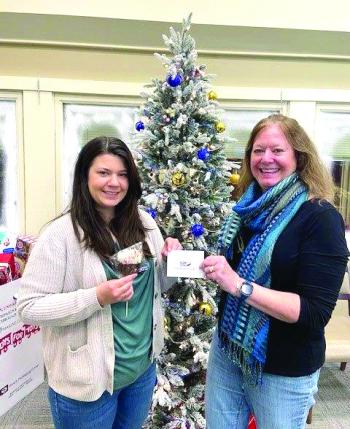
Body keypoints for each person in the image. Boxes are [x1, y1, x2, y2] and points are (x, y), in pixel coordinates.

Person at [17, 136, 182, 429]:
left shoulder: (144, 223)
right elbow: (28, 308)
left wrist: (170, 264)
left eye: (122, 174)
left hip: (141, 373)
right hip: (87, 383)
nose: (114, 183)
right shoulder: (60, 235)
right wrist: (97, 297)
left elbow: (159, 287)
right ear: (85, 176)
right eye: (103, 173)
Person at [201, 114, 349, 429]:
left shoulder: (320, 219)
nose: (266, 159)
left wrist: (238, 285)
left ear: (299, 156)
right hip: (229, 350)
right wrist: (181, 255)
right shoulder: (246, 210)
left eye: (277, 150)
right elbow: (225, 263)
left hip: (283, 367)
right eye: (258, 150)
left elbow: (313, 312)